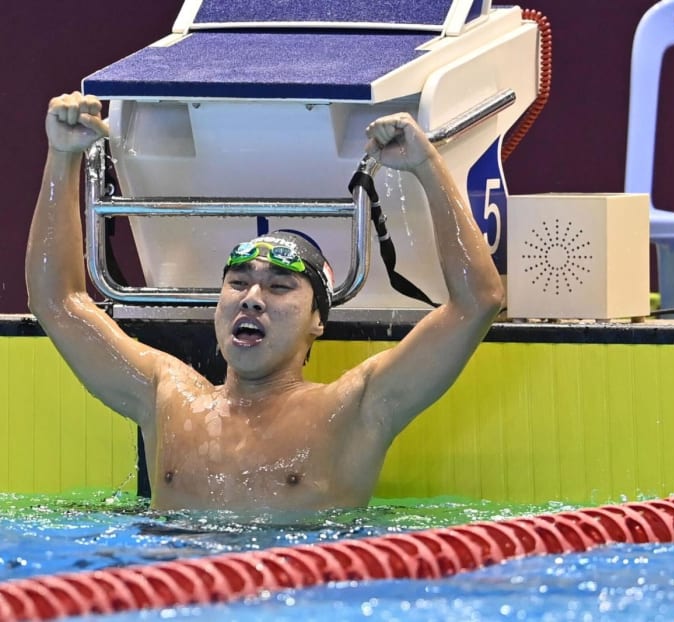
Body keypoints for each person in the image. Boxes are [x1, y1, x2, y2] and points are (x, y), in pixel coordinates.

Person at [26, 91, 504, 514]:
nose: (252, 298)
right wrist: (61, 157)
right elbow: (58, 301)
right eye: (237, 283)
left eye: (279, 287)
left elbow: (477, 302)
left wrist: (427, 164)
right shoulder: (166, 397)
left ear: (318, 320)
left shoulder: (356, 408)